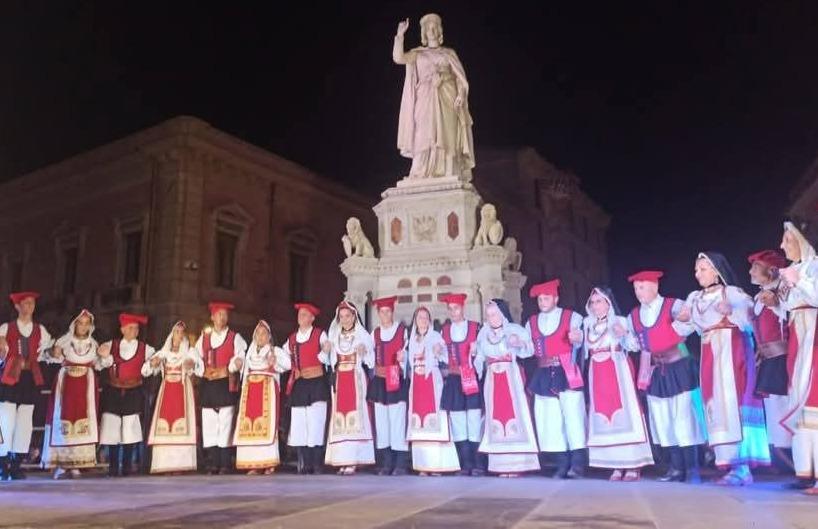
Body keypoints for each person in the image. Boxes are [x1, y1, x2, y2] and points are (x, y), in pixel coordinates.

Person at [679, 252, 771, 485]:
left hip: (733, 355)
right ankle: (728, 463)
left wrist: (731, 310)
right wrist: (679, 319)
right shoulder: (694, 298)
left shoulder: (731, 293)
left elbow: (753, 320)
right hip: (710, 358)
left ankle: (742, 467)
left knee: (734, 404)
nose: (697, 273)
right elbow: (683, 328)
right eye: (696, 269)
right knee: (716, 407)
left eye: (702, 269)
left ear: (716, 271)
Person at [626, 270, 706, 483]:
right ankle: (675, 468)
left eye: (642, 287)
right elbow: (632, 342)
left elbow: (692, 324)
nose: (638, 292)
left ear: (655, 286)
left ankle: (692, 469)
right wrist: (625, 337)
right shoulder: (633, 316)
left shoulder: (674, 305)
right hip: (656, 370)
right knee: (662, 420)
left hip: (678, 366)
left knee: (684, 418)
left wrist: (683, 320)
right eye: (635, 289)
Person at [583, 287, 654, 481]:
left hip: (617, 370)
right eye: (593, 302)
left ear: (608, 303)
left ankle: (633, 464)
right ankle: (614, 464)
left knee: (626, 412)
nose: (596, 305)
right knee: (603, 415)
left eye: (600, 301)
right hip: (597, 373)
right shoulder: (588, 325)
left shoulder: (620, 321)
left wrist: (624, 334)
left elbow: (635, 346)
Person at [393, 13, 475, 180]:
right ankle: (420, 170)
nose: (431, 30)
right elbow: (399, 58)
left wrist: (459, 93)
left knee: (447, 134)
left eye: (434, 27)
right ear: (423, 32)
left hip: (447, 97)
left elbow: (460, 78)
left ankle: (448, 170)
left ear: (439, 31)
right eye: (427, 28)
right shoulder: (417, 53)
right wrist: (400, 36)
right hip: (424, 98)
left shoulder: (448, 53)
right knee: (423, 133)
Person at [525, 279, 587, 478]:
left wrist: (578, 339)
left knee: (573, 416)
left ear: (556, 298)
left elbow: (582, 343)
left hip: (566, 370)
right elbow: (527, 349)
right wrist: (517, 343)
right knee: (550, 418)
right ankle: (561, 463)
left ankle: (578, 463)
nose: (542, 302)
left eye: (546, 298)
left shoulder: (573, 317)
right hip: (543, 372)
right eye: (540, 299)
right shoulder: (531, 322)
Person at [473, 299, 540, 477]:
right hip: (492, 379)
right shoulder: (483, 334)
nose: (491, 318)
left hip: (511, 376)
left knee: (515, 415)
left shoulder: (515, 330)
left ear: (502, 313)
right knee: (496, 417)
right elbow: (479, 356)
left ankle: (518, 464)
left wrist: (519, 344)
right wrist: (476, 358)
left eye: (494, 314)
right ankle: (500, 465)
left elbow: (530, 350)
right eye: (488, 315)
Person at [778, 221, 818, 493]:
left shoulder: (814, 267)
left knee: (814, 402)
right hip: (798, 340)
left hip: (814, 338)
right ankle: (806, 471)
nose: (782, 245)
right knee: (802, 405)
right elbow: (788, 308)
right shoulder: (797, 269)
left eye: (787, 240)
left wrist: (798, 280)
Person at [41, 309, 104, 479]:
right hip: (67, 385)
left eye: (86, 323)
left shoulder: (94, 344)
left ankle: (77, 463)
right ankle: (61, 464)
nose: (83, 326)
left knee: (83, 422)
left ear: (90, 326)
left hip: (86, 387)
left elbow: (100, 364)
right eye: (80, 323)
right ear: (74, 324)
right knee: (64, 421)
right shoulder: (64, 341)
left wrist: (104, 357)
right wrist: (52, 352)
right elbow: (49, 356)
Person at [747, 250, 794, 467]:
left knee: (787, 408)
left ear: (771, 269)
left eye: (755, 267)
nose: (751, 271)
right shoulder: (758, 297)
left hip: (784, 359)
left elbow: (790, 314)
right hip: (767, 360)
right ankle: (788, 463)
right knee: (774, 410)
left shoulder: (784, 290)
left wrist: (776, 303)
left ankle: (801, 462)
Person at [0, 291, 53, 480]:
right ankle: (2, 463)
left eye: (32, 303)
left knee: (25, 421)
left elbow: (47, 354)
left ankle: (16, 463)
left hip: (30, 378)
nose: (29, 306)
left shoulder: (41, 330)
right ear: (17, 306)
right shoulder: (6, 328)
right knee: (5, 420)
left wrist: (55, 352)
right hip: (10, 378)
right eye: (26, 303)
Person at [193, 301, 248, 475]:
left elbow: (241, 355)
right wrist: (200, 368)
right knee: (209, 423)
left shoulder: (235, 337)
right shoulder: (204, 337)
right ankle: (212, 463)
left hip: (225, 384)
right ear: (212, 317)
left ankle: (225, 463)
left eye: (224, 315)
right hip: (209, 385)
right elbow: (195, 355)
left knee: (226, 422)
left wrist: (232, 366)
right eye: (219, 315)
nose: (222, 318)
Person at [404, 306, 460, 475]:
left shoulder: (436, 336)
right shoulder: (411, 339)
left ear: (429, 319)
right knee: (418, 421)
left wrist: (439, 351)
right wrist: (402, 358)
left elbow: (445, 355)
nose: (423, 320)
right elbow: (406, 361)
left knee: (435, 418)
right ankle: (422, 465)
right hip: (417, 382)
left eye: (426, 317)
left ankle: (437, 465)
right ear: (415, 320)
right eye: (420, 317)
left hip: (432, 380)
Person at [98, 313, 154, 477]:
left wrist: (153, 364)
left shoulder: (146, 349)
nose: (134, 331)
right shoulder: (111, 345)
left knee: (130, 428)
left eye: (136, 328)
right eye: (130, 328)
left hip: (134, 390)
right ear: (122, 329)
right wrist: (104, 356)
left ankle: (128, 467)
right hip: (113, 390)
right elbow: (102, 364)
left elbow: (152, 367)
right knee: (111, 428)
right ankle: (113, 467)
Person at [323, 301, 376, 475]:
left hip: (355, 378)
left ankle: (353, 459)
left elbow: (371, 360)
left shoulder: (362, 335)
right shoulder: (334, 334)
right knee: (340, 419)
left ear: (354, 316)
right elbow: (326, 359)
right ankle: (341, 459)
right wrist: (326, 350)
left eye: (348, 316)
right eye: (342, 316)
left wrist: (364, 351)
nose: (345, 319)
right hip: (340, 378)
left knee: (355, 418)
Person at [232, 320, 290, 475]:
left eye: (264, 333)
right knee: (249, 427)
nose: (261, 336)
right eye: (258, 333)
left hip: (267, 390)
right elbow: (242, 372)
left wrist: (275, 361)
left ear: (269, 336)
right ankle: (252, 463)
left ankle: (269, 462)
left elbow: (288, 364)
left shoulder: (274, 350)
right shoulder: (250, 354)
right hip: (250, 392)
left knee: (267, 426)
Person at [143, 321, 199, 474]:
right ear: (172, 333)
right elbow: (146, 370)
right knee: (165, 424)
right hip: (166, 390)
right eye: (177, 331)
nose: (179, 335)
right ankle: (163, 464)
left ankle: (180, 465)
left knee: (181, 425)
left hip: (182, 391)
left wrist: (191, 365)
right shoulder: (164, 352)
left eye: (182, 332)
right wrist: (153, 363)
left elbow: (197, 366)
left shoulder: (189, 351)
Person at [439, 293, 484, 476]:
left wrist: (475, 355)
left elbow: (483, 354)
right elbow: (443, 356)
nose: (453, 312)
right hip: (454, 380)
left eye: (456, 308)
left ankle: (478, 464)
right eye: (450, 309)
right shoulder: (445, 330)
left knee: (474, 420)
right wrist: (438, 353)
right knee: (458, 422)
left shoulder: (475, 328)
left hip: (471, 378)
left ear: (462, 308)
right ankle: (465, 464)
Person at [284, 302, 330, 475]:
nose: (301, 317)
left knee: (316, 423)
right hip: (300, 384)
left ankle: (317, 463)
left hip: (317, 383)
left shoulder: (320, 334)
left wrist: (324, 351)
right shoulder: (292, 338)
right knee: (300, 424)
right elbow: (285, 359)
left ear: (312, 318)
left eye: (304, 315)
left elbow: (326, 357)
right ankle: (305, 463)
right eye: (299, 315)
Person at [367, 296, 410, 476]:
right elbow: (369, 358)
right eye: (381, 312)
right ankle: (386, 462)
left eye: (387, 312)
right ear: (378, 314)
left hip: (395, 380)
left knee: (397, 421)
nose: (384, 315)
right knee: (382, 422)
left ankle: (400, 463)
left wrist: (403, 358)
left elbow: (408, 354)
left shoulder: (402, 332)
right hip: (379, 381)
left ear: (392, 312)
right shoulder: (374, 334)